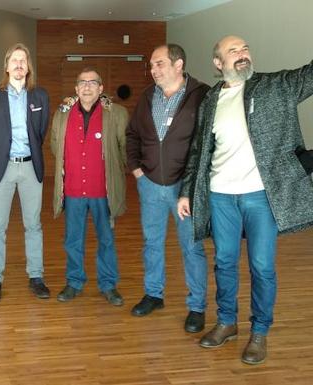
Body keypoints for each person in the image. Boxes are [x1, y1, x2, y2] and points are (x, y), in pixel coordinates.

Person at [178, 35, 313, 365]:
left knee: (262, 266)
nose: (242, 54)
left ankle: (260, 331)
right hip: (220, 194)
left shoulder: (276, 86)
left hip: (260, 195)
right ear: (218, 63)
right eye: (233, 50)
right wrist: (186, 191)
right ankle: (227, 322)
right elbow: (199, 150)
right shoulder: (211, 100)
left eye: (245, 48)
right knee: (224, 262)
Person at [126, 44, 210, 333]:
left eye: (159, 64)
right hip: (150, 186)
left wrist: (195, 184)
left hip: (185, 189)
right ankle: (154, 294)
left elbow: (208, 143)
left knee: (192, 247)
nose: (153, 70)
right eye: (151, 65)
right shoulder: (148, 96)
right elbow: (132, 135)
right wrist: (137, 171)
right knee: (152, 244)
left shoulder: (202, 95)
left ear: (178, 65)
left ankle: (197, 307)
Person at [0, 43, 50, 304]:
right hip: (3, 168)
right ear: (6, 66)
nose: (19, 64)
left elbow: (40, 132)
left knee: (34, 225)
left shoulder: (40, 96)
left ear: (28, 67)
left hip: (31, 167)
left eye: (23, 60)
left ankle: (36, 277)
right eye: (14, 60)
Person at [50, 67, 128, 305]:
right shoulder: (62, 115)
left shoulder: (116, 114)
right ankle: (74, 282)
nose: (87, 86)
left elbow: (124, 149)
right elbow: (55, 146)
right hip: (73, 190)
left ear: (101, 88)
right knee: (73, 240)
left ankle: (108, 284)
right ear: (76, 88)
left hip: (102, 191)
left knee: (106, 239)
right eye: (82, 82)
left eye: (92, 82)